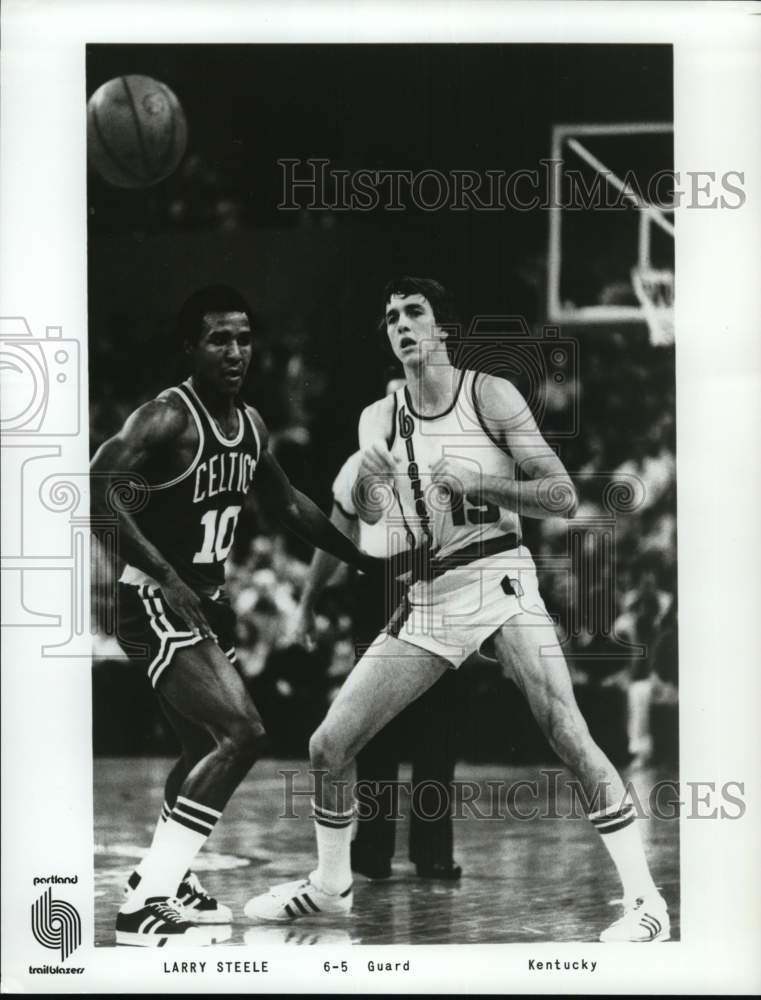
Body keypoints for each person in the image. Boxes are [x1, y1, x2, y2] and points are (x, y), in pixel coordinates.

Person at [246, 276, 670, 942]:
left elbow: (559, 495)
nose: (400, 323)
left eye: (414, 312)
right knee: (327, 746)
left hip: (498, 573)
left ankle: (645, 903)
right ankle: (330, 888)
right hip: (429, 593)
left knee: (567, 731)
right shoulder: (375, 421)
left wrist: (480, 481)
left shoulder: (488, 394)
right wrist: (364, 507)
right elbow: (352, 514)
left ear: (442, 328)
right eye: (390, 316)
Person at [91, 284, 377, 946]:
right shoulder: (164, 418)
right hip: (155, 598)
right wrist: (166, 576)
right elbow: (97, 492)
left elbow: (290, 505)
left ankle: (169, 879)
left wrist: (363, 559)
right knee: (242, 734)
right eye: (219, 338)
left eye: (244, 338)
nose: (235, 351)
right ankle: (143, 904)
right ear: (190, 347)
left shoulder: (248, 424)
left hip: (204, 604)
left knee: (201, 746)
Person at [290, 395, 462, 882]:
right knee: (371, 721)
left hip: (439, 578)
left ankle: (432, 851)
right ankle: (371, 852)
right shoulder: (356, 467)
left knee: (440, 720)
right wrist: (307, 602)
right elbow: (335, 536)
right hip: (379, 582)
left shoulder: (448, 457)